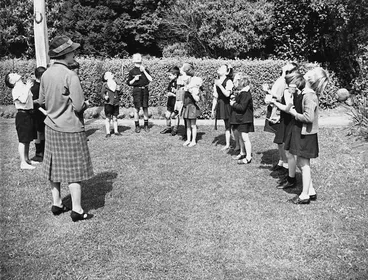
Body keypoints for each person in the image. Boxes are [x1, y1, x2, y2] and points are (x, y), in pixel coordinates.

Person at [38, 35, 93, 221]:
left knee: (54, 167)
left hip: (51, 127)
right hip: (70, 127)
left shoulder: (45, 74)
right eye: (73, 51)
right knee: (73, 170)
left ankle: (57, 203)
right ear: (66, 54)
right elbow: (78, 106)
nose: (75, 53)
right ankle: (77, 209)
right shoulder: (70, 75)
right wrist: (84, 105)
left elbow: (42, 101)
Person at [286, 67, 329, 204]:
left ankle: (304, 195)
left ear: (311, 78)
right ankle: (310, 190)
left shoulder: (309, 96)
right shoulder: (306, 92)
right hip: (303, 132)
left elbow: (308, 117)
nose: (306, 71)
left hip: (306, 134)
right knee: (301, 162)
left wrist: (294, 114)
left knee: (304, 164)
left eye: (310, 71)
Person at [263, 62, 299, 175]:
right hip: (278, 111)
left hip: (283, 113)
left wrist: (269, 92)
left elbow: (282, 98)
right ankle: (282, 161)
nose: (285, 67)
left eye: (288, 67)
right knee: (279, 140)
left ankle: (287, 166)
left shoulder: (291, 82)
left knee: (283, 141)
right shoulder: (283, 79)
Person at [271, 72, 306, 189]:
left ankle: (295, 181)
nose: (288, 87)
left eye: (289, 84)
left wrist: (274, 102)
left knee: (295, 155)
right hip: (291, 122)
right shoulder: (294, 93)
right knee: (289, 152)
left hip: (295, 123)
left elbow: (288, 109)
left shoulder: (300, 94)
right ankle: (291, 178)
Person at [5, 72, 38, 170]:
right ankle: (23, 163)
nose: (15, 73)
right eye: (12, 74)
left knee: (27, 139)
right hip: (22, 115)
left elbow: (30, 99)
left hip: (28, 114)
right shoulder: (15, 89)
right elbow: (23, 100)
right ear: (12, 81)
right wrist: (28, 87)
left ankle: (27, 159)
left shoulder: (23, 86)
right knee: (23, 140)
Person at [229, 72, 254, 164]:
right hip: (241, 119)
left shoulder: (245, 93)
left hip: (244, 119)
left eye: (235, 81)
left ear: (241, 82)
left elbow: (242, 107)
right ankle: (242, 152)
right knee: (240, 136)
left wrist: (233, 104)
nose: (234, 83)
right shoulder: (242, 93)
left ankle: (248, 157)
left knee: (245, 137)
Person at [127, 53, 153, 133]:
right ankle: (137, 126)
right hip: (137, 91)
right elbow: (129, 83)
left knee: (145, 108)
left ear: (141, 59)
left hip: (144, 90)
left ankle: (146, 126)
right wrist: (134, 79)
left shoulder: (146, 69)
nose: (138, 58)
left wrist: (144, 70)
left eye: (139, 57)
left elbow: (150, 79)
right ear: (133, 60)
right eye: (136, 57)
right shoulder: (132, 71)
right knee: (136, 109)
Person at [211, 64, 234, 150]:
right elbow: (215, 96)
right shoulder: (217, 81)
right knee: (227, 125)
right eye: (219, 67)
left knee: (232, 125)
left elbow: (227, 94)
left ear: (227, 72)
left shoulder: (228, 81)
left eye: (222, 68)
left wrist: (220, 85)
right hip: (221, 104)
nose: (219, 68)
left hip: (228, 104)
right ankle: (228, 144)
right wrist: (213, 109)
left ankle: (238, 145)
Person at [181, 63, 202, 147]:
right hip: (187, 107)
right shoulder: (187, 86)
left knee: (193, 125)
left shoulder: (194, 88)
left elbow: (197, 99)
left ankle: (193, 140)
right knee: (188, 126)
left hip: (192, 107)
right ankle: (188, 139)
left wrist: (192, 92)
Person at [30, 66, 47, 161]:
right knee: (39, 133)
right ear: (41, 76)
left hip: (43, 113)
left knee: (43, 133)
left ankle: (44, 151)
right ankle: (39, 152)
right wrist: (43, 110)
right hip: (38, 113)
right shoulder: (35, 88)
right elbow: (34, 103)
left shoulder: (42, 86)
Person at [100, 71, 121, 137]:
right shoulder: (105, 85)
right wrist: (104, 96)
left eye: (112, 73)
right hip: (108, 103)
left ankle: (116, 131)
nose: (113, 74)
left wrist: (119, 90)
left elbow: (120, 92)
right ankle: (108, 132)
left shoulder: (116, 83)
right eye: (110, 74)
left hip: (115, 103)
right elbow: (102, 93)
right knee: (108, 118)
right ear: (106, 77)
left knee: (115, 117)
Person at [160, 66, 180, 134]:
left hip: (176, 102)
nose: (169, 77)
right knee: (167, 115)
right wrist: (168, 94)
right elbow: (169, 90)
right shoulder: (171, 82)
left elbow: (181, 95)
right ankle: (168, 127)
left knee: (174, 116)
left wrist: (173, 94)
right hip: (170, 101)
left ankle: (175, 129)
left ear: (175, 75)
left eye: (170, 75)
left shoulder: (179, 83)